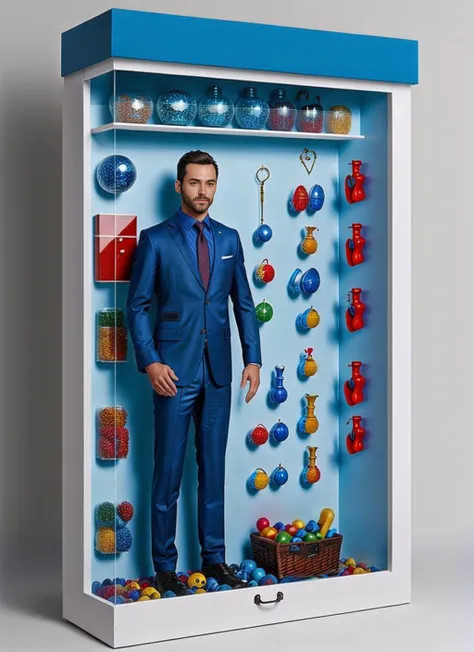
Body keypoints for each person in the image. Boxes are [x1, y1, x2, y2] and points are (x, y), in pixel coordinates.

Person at [126, 150, 262, 596]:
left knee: (213, 470)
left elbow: (242, 303)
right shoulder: (156, 240)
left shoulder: (229, 239)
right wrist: (150, 361)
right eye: (194, 183)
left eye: (209, 183)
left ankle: (214, 559)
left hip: (218, 373)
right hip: (172, 373)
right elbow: (138, 306)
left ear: (215, 186)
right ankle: (165, 567)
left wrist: (253, 359)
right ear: (179, 187)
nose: (202, 192)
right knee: (166, 472)